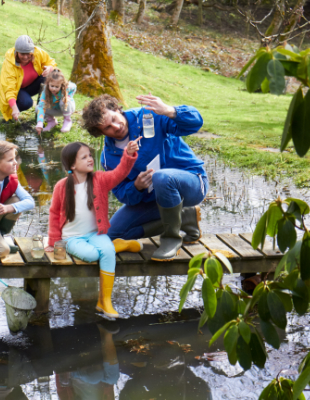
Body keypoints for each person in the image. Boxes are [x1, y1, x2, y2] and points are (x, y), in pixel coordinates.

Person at [81, 94, 208, 262]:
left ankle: (171, 239)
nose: (115, 127)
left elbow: (196, 123)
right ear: (101, 132)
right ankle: (184, 217)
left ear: (117, 109)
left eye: (113, 119)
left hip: (192, 182)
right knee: (112, 235)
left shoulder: (151, 116)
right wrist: (136, 186)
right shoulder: (109, 157)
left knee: (162, 177)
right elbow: (122, 195)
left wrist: (170, 111)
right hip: (155, 199)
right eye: (108, 128)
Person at [45, 140, 139, 318]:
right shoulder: (61, 186)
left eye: (90, 155)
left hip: (96, 234)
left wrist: (128, 155)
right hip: (71, 238)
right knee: (92, 255)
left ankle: (104, 301)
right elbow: (54, 214)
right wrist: (53, 242)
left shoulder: (99, 179)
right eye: (84, 157)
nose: (90, 159)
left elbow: (120, 173)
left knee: (107, 253)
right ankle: (117, 245)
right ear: (72, 164)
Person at [0, 35, 57, 121]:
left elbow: (50, 62)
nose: (26, 57)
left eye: (28, 54)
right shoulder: (10, 64)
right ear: (17, 52)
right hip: (17, 89)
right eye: (22, 54)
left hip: (32, 85)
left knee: (52, 75)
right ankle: (12, 112)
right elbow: (9, 89)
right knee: (27, 103)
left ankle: (41, 113)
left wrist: (50, 68)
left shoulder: (38, 53)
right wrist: (14, 108)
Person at [35, 69, 77, 134]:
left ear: (61, 85)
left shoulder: (66, 87)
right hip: (55, 110)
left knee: (63, 100)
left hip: (67, 108)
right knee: (37, 108)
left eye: (57, 87)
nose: (54, 89)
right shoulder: (45, 91)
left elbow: (74, 86)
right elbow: (41, 106)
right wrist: (40, 122)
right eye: (52, 86)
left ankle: (67, 120)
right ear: (48, 83)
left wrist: (68, 96)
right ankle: (51, 121)